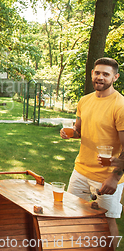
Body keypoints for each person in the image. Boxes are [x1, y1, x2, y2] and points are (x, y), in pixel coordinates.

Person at [60, 57, 124, 249]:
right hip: (80, 171)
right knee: (71, 214)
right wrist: (69, 134)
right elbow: (79, 131)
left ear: (115, 77)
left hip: (105, 177)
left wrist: (114, 177)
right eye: (97, 73)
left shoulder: (120, 105)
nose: (100, 77)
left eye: (106, 74)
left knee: (106, 221)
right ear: (92, 74)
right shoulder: (85, 101)